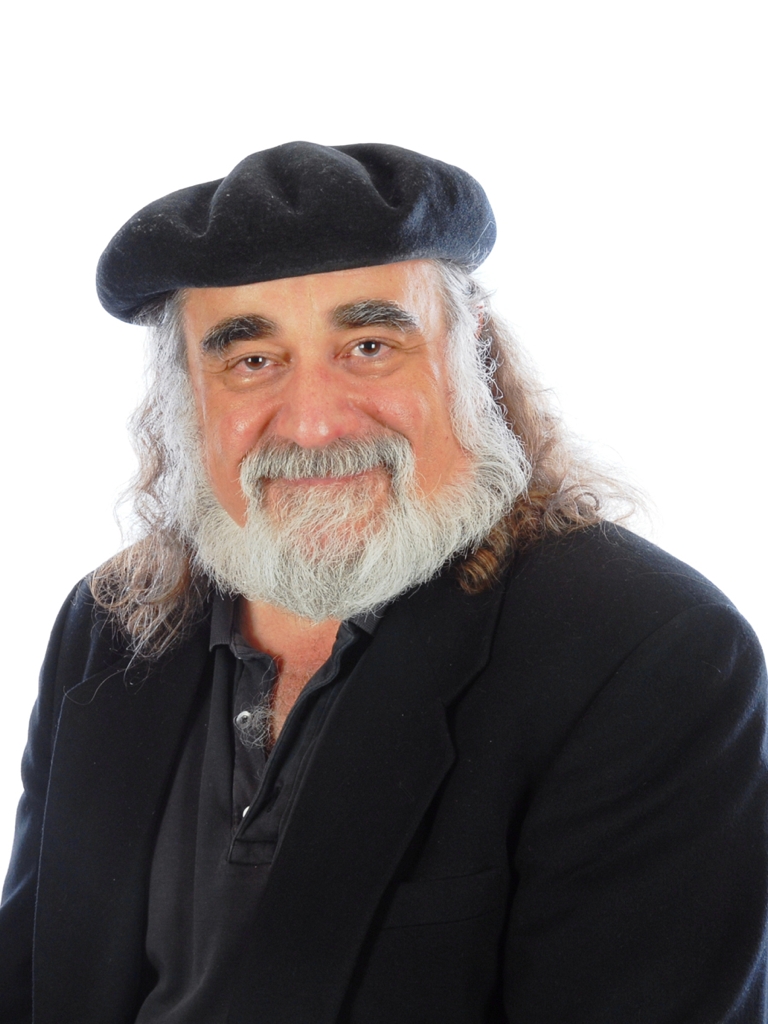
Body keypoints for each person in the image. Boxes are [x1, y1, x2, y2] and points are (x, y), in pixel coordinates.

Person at [1, 142, 766, 1024]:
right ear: (186, 394)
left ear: (472, 355)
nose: (314, 424)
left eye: (369, 345)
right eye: (252, 361)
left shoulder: (651, 654)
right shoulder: (112, 624)